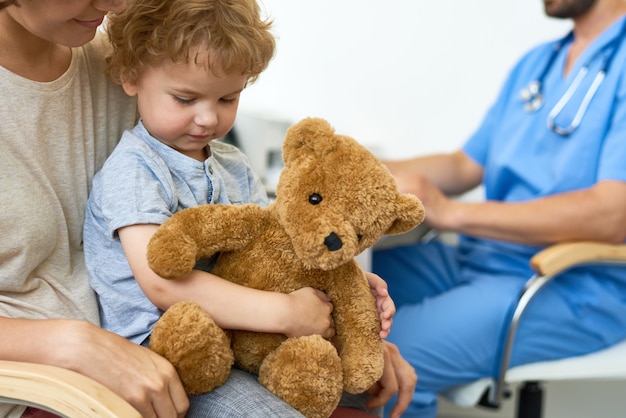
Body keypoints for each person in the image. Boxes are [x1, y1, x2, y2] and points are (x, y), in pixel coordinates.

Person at [0, 1, 413, 418]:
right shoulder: (136, 167)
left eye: (227, 99)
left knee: (359, 392)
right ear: (130, 77)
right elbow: (162, 279)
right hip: (168, 344)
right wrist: (286, 312)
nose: (206, 119)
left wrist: (343, 292)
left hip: (236, 328)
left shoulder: (225, 155)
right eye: (185, 99)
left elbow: (271, 244)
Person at [372, 0, 626, 417]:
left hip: (569, 281)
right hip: (479, 257)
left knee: (387, 355)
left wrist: (450, 212)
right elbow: (463, 165)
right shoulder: (537, 64)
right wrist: (352, 166)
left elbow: (612, 214)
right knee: (331, 293)